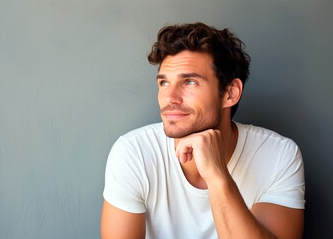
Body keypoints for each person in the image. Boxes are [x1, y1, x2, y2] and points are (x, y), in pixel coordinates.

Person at [101, 22, 305, 239]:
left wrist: (217, 176)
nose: (170, 98)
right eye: (164, 83)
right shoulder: (134, 153)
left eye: (189, 82)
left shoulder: (279, 155)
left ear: (230, 93)